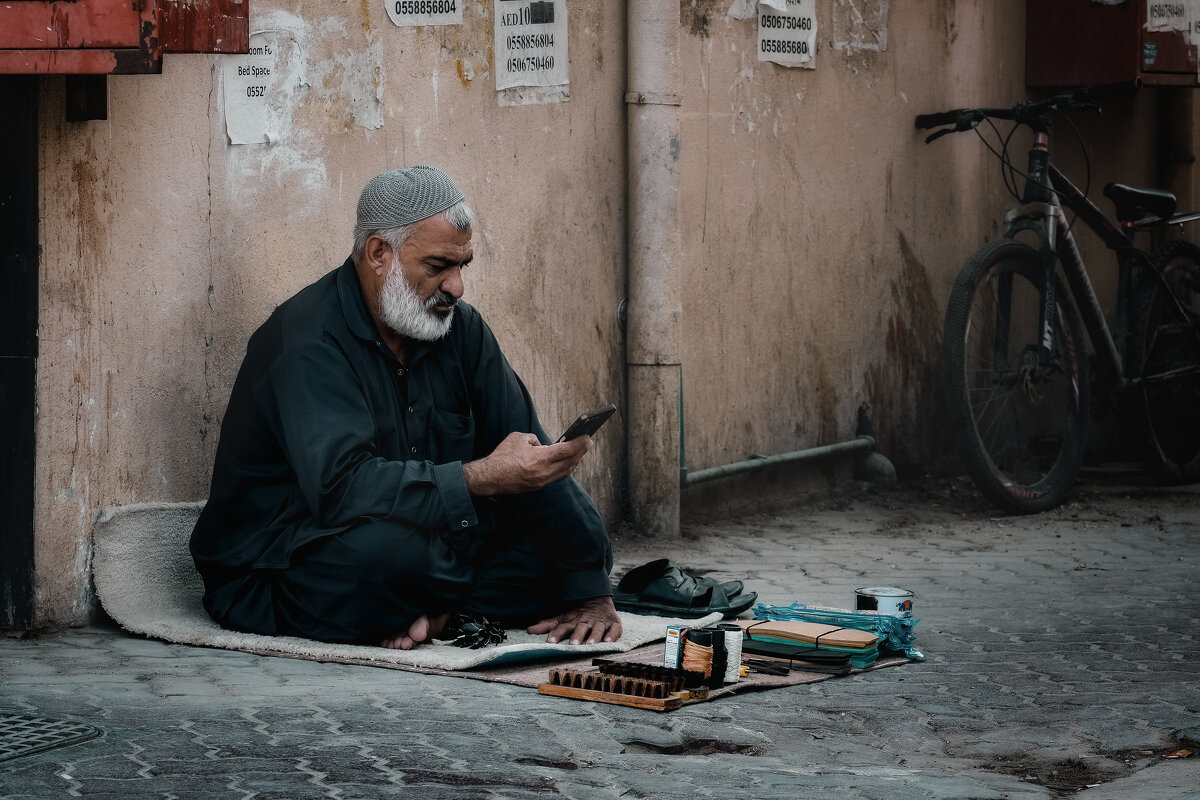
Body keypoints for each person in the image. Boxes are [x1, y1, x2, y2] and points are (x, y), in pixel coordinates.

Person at [190, 165, 622, 650]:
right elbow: (341, 490)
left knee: (560, 555)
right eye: (438, 267)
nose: (456, 287)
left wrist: (589, 588)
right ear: (379, 253)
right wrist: (482, 477)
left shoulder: (461, 329)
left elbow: (526, 447)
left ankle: (431, 613)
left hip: (431, 543)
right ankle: (438, 606)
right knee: (387, 557)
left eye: (462, 266)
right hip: (294, 553)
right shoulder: (309, 340)